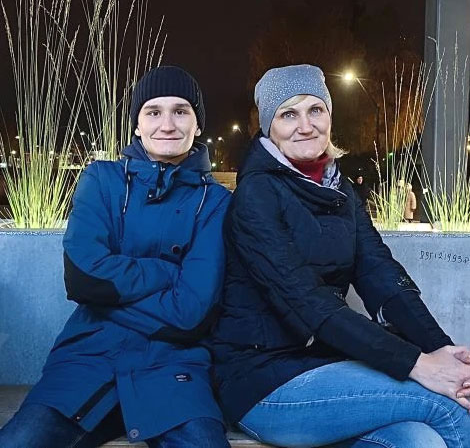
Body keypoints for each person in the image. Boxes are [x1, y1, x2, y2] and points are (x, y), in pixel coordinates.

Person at [208, 64, 470, 448]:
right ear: (268, 127)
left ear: (330, 116)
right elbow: (309, 305)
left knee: (419, 441)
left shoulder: (339, 190)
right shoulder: (256, 196)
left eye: (315, 110)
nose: (305, 126)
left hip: (327, 362)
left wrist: (442, 351)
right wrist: (417, 364)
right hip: (263, 380)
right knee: (448, 406)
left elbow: (382, 275)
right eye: (288, 115)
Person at [0, 66, 231, 448]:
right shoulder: (101, 180)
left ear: (197, 124)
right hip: (88, 356)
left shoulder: (216, 202)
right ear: (137, 125)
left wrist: (106, 297)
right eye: (153, 112)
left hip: (175, 365)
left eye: (180, 111)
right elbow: (83, 278)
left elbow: (191, 312)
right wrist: (167, 272)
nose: (167, 124)